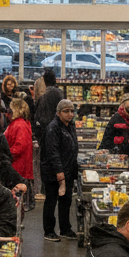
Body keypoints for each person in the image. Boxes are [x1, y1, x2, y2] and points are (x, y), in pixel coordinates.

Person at [41, 100, 79, 242]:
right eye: (66, 111)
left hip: (68, 170)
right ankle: (49, 230)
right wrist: (59, 172)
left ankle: (65, 228)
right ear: (58, 113)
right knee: (51, 201)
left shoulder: (70, 125)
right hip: (53, 172)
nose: (70, 114)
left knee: (66, 200)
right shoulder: (53, 128)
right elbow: (53, 153)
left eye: (71, 111)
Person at [99, 93, 129, 174]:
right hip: (116, 162)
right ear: (123, 107)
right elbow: (109, 143)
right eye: (128, 108)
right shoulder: (117, 119)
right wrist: (127, 142)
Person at [5, 98, 35, 210]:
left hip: (18, 165)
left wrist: (7, 154)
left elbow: (19, 146)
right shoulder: (23, 123)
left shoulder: (19, 125)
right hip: (21, 165)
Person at [33, 68, 63, 151]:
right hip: (60, 137)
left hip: (46, 138)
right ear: (55, 80)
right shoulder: (62, 96)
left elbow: (37, 119)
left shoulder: (42, 99)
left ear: (45, 82)